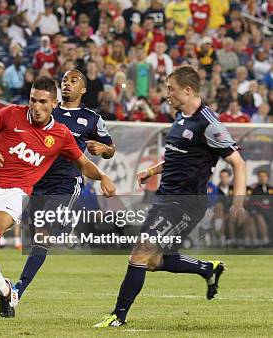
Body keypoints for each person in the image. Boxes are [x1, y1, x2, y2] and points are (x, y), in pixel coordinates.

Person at [94, 66, 247, 327]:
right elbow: (178, 156)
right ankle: (207, 269)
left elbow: (238, 163)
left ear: (188, 90)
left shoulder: (209, 124)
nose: (167, 94)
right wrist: (152, 170)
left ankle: (117, 316)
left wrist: (238, 201)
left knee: (140, 253)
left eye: (171, 89)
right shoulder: (180, 119)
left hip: (185, 203)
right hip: (164, 198)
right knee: (152, 260)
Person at [0, 76, 116, 318]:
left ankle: (4, 268)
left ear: (52, 103)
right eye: (32, 101)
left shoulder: (62, 134)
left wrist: (102, 176)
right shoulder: (10, 114)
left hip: (18, 190)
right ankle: (5, 289)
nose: (36, 107)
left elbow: (83, 163)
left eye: (42, 102)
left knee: (9, 227)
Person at [15, 69, 116, 299]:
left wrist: (104, 150)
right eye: (64, 81)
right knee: (35, 237)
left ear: (83, 89)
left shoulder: (92, 119)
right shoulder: (47, 110)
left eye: (73, 81)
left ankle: (18, 289)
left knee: (42, 235)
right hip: (39, 182)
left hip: (67, 183)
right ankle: (64, 223)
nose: (67, 84)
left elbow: (110, 148)